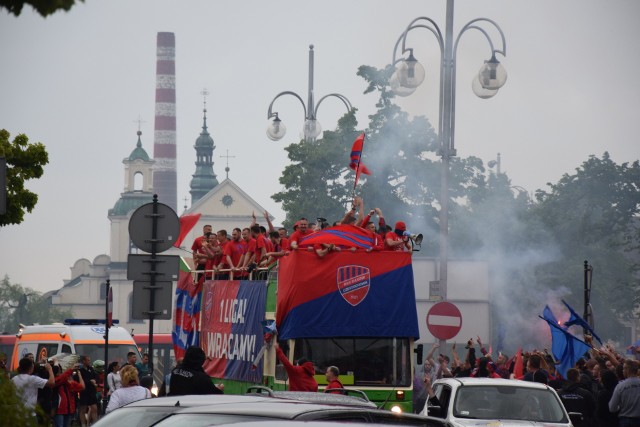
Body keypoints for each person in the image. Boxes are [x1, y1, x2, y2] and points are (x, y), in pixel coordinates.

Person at [609, 359, 640, 427]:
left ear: (627, 370)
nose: (622, 371)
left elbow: (612, 408)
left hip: (626, 421)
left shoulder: (620, 386)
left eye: (623, 369)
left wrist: (620, 407)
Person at [77, 355, 98, 427]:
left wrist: (95, 381)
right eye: (88, 360)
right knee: (83, 409)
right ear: (83, 361)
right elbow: (79, 381)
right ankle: (83, 424)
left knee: (94, 408)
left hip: (91, 391)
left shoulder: (91, 369)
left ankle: (95, 423)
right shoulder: (80, 370)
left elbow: (95, 376)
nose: (89, 361)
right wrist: (89, 381)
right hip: (84, 391)